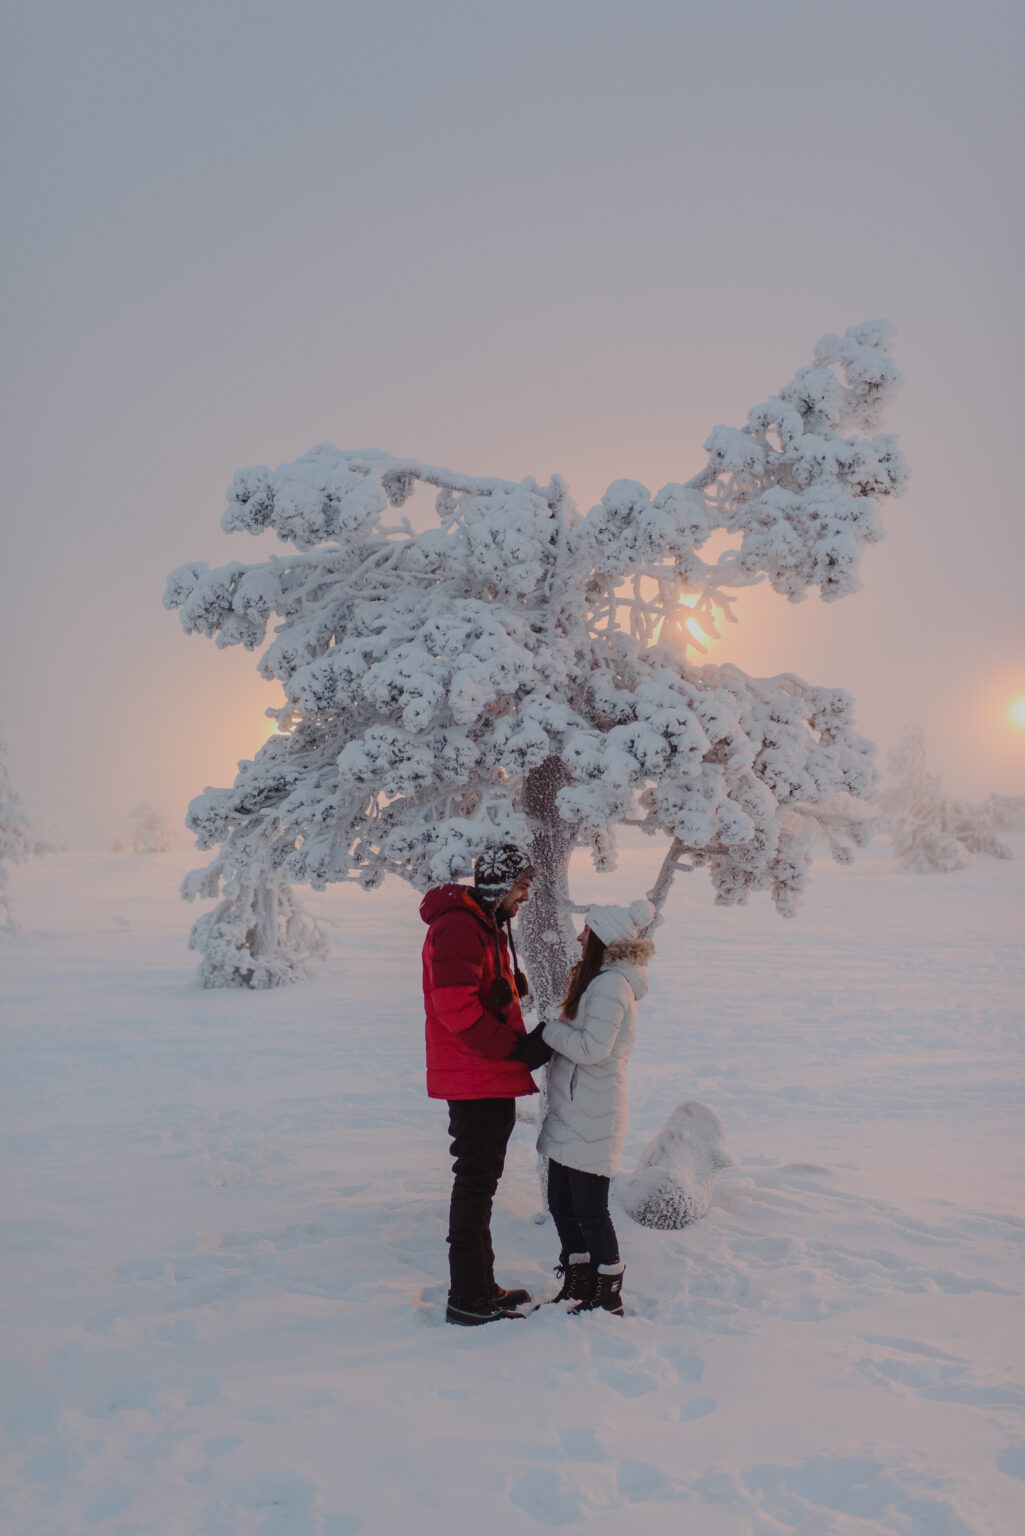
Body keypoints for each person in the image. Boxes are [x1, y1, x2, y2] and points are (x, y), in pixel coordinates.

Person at [420, 844, 552, 1326]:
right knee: (474, 1184)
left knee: (482, 1184)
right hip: (474, 1074)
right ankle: (466, 1298)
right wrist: (515, 1049)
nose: (526, 897)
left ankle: (480, 1286)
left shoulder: (484, 925)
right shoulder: (458, 927)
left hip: (487, 1074)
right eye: (521, 887)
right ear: (500, 886)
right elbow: (456, 1009)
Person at [537, 899, 655, 1317]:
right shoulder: (596, 981)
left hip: (595, 1111)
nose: (579, 936)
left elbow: (592, 1049)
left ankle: (608, 1294)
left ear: (602, 938)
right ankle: (579, 1281)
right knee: (562, 1203)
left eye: (587, 930)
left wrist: (549, 1031)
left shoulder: (611, 986)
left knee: (589, 1208)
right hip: (574, 1108)